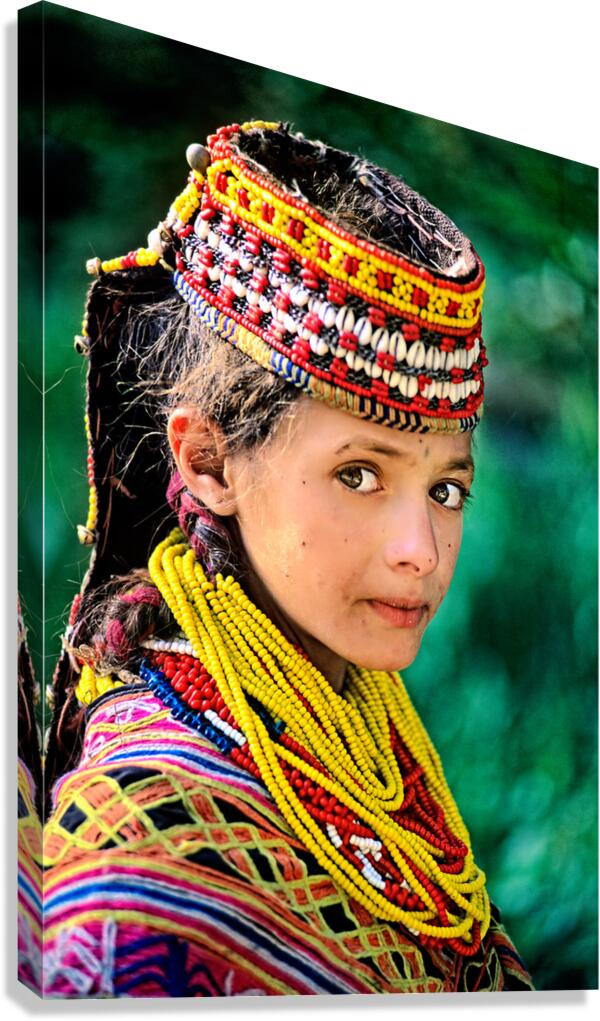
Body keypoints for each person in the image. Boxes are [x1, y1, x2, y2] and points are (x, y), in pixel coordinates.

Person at [36, 120, 533, 997]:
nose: (420, 551)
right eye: (358, 473)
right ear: (209, 462)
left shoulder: (361, 745)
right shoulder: (147, 860)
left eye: (446, 489)